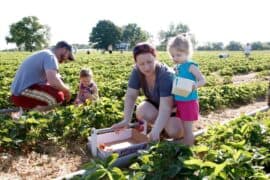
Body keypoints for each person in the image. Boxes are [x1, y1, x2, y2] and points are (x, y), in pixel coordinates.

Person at [112, 42, 184, 141]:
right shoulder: (137, 71)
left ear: (155, 58)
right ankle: (160, 128)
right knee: (142, 112)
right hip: (156, 105)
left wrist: (156, 130)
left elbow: (166, 107)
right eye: (141, 64)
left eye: (149, 62)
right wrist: (126, 120)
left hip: (173, 108)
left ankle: (165, 128)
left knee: (175, 131)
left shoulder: (165, 75)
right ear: (136, 63)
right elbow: (131, 95)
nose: (146, 67)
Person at [11, 41, 75, 111]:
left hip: (20, 93)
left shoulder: (46, 53)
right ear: (64, 49)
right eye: (68, 56)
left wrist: (62, 87)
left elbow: (57, 78)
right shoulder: (50, 56)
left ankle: (33, 109)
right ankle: (34, 113)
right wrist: (66, 90)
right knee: (58, 97)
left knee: (58, 90)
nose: (65, 60)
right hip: (21, 95)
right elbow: (53, 81)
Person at [167, 34, 206, 145]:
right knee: (184, 127)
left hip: (189, 101)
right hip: (180, 101)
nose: (175, 58)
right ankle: (185, 145)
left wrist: (194, 86)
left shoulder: (191, 66)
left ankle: (188, 149)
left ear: (187, 53)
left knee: (188, 129)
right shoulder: (178, 67)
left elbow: (203, 80)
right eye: (173, 55)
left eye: (178, 55)